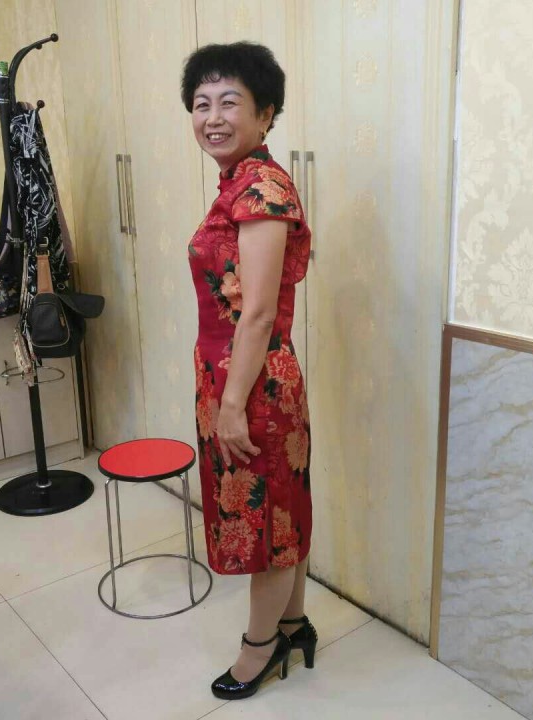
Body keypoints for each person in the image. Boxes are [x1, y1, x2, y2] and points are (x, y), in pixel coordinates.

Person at [182, 42, 316, 700]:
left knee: (267, 522)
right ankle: (292, 625)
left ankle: (258, 650)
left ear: (266, 115)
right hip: (240, 376)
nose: (212, 116)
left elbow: (258, 312)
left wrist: (232, 405)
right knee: (281, 513)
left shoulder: (261, 188)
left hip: (254, 383)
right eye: (201, 103)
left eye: (230, 102)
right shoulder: (240, 182)